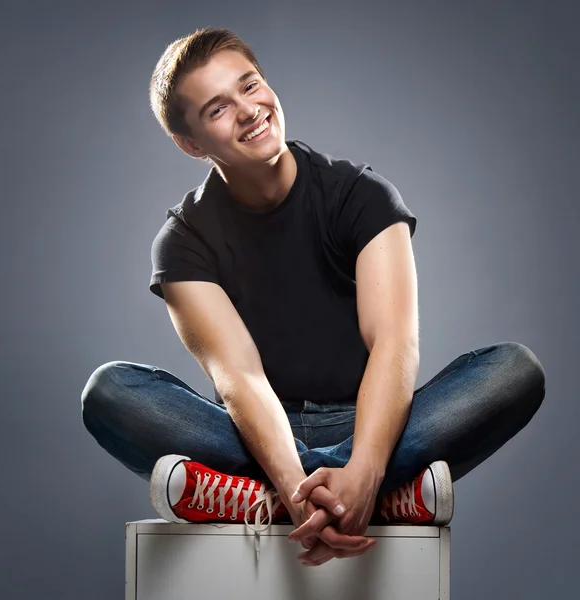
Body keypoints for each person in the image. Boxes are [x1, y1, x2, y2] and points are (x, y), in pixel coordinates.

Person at [81, 27, 546, 567]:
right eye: (217, 109)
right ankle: (382, 502)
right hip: (250, 433)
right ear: (191, 144)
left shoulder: (362, 196)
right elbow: (241, 379)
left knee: (514, 371)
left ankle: (261, 502)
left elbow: (393, 344)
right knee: (110, 391)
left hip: (372, 421)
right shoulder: (183, 241)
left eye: (250, 86)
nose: (249, 110)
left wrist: (364, 468)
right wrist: (301, 482)